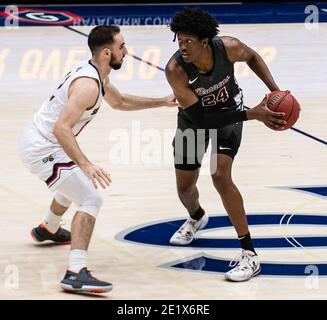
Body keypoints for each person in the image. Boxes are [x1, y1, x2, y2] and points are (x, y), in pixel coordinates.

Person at [18, 25, 178, 293]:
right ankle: (75, 272)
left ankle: (49, 227)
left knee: (73, 184)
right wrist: (86, 163)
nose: (126, 52)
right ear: (107, 52)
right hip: (42, 148)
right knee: (90, 198)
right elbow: (61, 129)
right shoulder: (87, 86)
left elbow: (121, 102)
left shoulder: (98, 76)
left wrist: (162, 101)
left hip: (44, 142)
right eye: (121, 47)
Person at [165, 8, 286, 282]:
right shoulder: (175, 70)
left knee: (220, 175)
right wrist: (251, 114)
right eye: (179, 40)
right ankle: (196, 217)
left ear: (205, 41)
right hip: (193, 121)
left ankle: (249, 254)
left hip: (229, 113)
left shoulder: (228, 47)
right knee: (185, 188)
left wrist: (274, 90)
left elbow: (253, 56)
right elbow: (200, 117)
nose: (182, 46)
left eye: (188, 41)